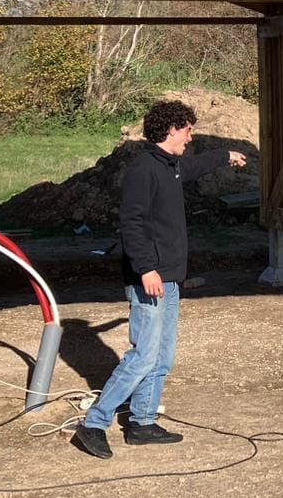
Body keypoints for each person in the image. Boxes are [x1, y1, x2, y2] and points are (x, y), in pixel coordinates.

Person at [74, 99, 247, 459]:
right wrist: (146, 268)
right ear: (170, 129)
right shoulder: (144, 170)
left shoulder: (171, 166)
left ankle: (142, 422)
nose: (191, 135)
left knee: (162, 357)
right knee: (143, 356)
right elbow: (131, 224)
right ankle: (94, 424)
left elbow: (194, 165)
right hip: (150, 276)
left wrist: (225, 154)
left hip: (168, 278)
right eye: (187, 129)